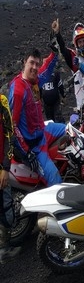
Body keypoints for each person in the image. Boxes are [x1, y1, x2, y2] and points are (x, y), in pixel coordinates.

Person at [9, 48, 66, 186]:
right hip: (33, 146)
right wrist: (27, 152)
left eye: (37, 64)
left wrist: (54, 52)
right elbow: (12, 127)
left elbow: (46, 70)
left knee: (70, 130)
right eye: (31, 63)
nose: (35, 67)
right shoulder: (18, 90)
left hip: (43, 131)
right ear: (24, 62)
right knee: (56, 182)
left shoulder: (33, 81)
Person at [0, 93, 20, 263]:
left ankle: (5, 248)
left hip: (1, 168)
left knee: (5, 206)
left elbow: (9, 133)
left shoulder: (2, 101)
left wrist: (5, 167)